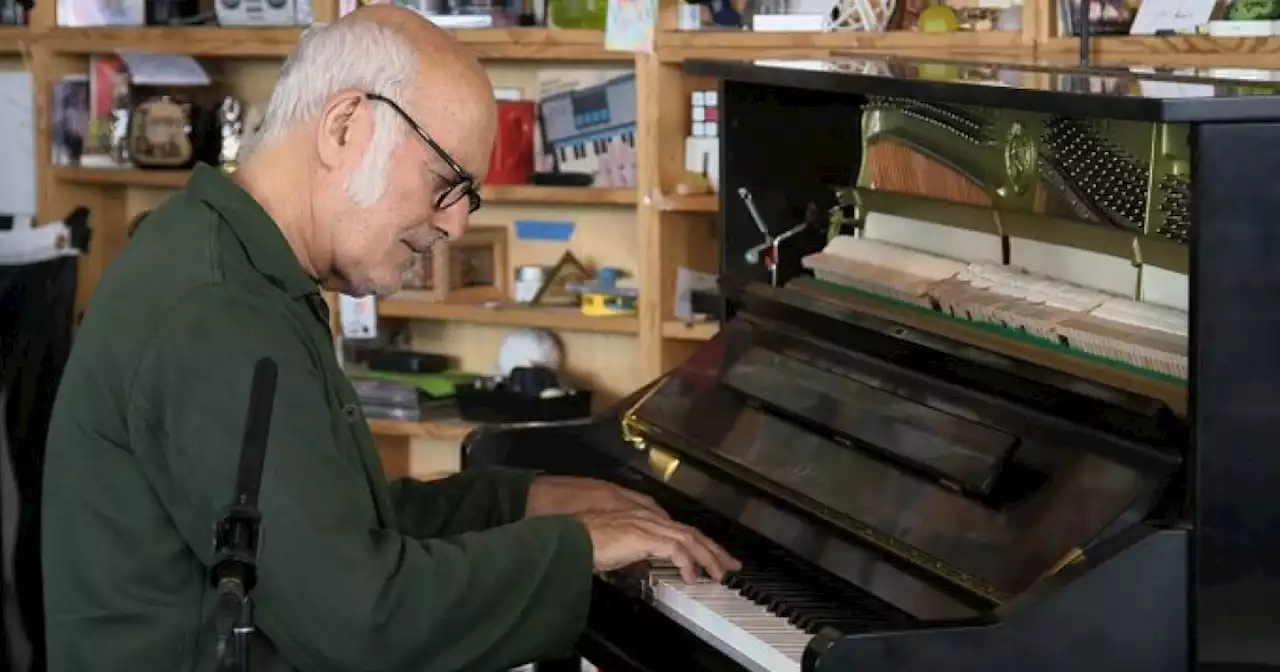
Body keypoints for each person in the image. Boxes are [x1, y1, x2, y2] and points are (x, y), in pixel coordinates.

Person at [40, 7, 739, 672]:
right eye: (446, 182)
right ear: (344, 126)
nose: (457, 225)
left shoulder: (222, 260)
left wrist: (524, 501)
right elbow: (360, 620)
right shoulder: (218, 313)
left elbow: (325, 531)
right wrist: (575, 548)